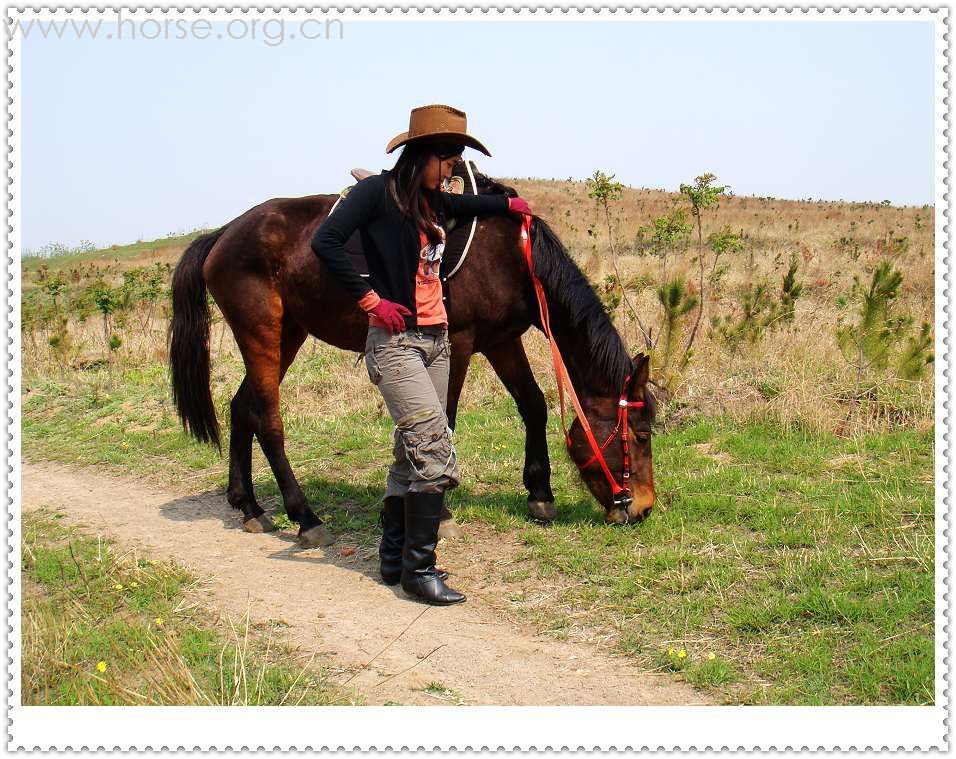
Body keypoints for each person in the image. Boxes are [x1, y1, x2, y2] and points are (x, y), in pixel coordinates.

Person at [311, 104, 532, 605]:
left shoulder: (433, 204)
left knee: (410, 452)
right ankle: (420, 569)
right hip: (397, 344)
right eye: (450, 158)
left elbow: (470, 209)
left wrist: (509, 207)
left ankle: (393, 559)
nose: (454, 168)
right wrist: (369, 299)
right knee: (433, 449)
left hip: (437, 342)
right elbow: (327, 241)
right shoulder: (376, 194)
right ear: (424, 155)